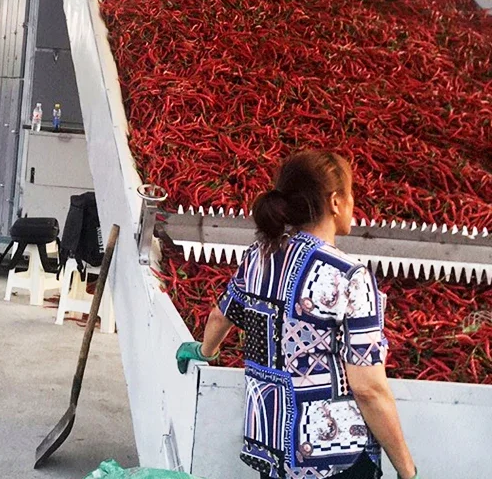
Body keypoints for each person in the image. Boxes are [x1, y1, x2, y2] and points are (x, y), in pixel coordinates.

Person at [175, 151, 418, 479]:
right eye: (351, 194)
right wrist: (407, 469)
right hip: (332, 459)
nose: (353, 204)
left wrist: (204, 351)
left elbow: (221, 317)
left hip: (271, 448)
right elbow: (368, 388)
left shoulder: (259, 256)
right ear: (335, 202)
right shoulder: (349, 276)